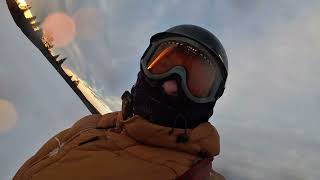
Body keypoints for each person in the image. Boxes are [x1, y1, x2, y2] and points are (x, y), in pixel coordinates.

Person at [14, 24, 228, 180]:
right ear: (143, 66)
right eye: (163, 65)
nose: (170, 85)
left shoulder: (189, 173)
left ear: (211, 100)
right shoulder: (92, 124)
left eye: (196, 81)